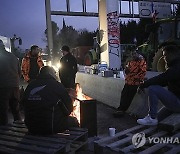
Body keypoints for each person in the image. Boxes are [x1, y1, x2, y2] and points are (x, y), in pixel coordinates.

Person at [23, 66, 79, 135]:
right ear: (50, 73)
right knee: (74, 121)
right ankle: (76, 144)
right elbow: (69, 109)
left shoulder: (31, 85)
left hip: (31, 127)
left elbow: (23, 104)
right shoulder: (57, 86)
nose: (56, 75)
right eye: (55, 73)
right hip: (50, 127)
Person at [137, 45, 180, 126]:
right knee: (159, 119)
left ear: (172, 55)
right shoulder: (176, 66)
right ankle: (153, 121)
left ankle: (151, 118)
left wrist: (143, 85)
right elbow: (165, 81)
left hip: (178, 102)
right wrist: (146, 84)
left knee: (153, 89)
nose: (164, 58)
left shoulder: (176, 68)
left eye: (165, 55)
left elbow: (161, 78)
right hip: (176, 101)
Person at [113, 50, 147, 117]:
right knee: (124, 94)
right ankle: (120, 109)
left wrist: (135, 78)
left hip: (135, 83)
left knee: (129, 97)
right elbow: (127, 69)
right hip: (128, 81)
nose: (133, 56)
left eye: (134, 54)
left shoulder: (141, 61)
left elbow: (143, 72)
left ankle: (122, 110)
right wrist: (126, 71)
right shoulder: (130, 61)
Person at [0, 39, 22, 125]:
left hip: (3, 86)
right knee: (15, 109)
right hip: (15, 86)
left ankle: (3, 130)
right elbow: (19, 72)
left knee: (3, 110)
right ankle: (19, 126)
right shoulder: (13, 56)